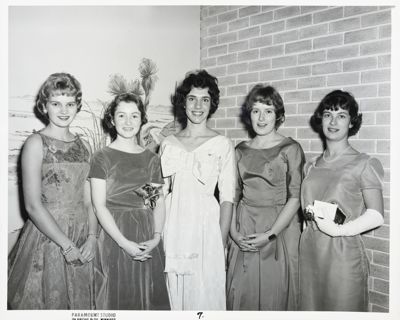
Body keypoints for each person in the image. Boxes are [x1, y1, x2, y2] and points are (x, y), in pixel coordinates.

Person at [8, 73, 98, 309]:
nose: (63, 110)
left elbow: (89, 201)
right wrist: (66, 245)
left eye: (70, 104)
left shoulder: (84, 145)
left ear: (77, 105)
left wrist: (92, 237)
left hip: (81, 232)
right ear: (44, 106)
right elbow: (32, 206)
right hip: (48, 237)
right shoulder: (35, 143)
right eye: (56, 103)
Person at [299, 90, 384, 311]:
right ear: (321, 119)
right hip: (310, 254)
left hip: (343, 254)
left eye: (342, 115)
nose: (333, 121)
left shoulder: (363, 163)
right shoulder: (310, 165)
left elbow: (376, 215)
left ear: (352, 122)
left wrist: (339, 231)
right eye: (328, 114)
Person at [159, 70, 235, 310]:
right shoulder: (168, 144)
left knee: (205, 295)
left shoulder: (223, 144)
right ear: (184, 102)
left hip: (206, 230)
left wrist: (219, 242)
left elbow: (227, 199)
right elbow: (160, 195)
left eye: (205, 99)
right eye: (192, 98)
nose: (198, 105)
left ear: (212, 104)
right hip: (174, 225)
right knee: (175, 294)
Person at [226, 85, 305, 310]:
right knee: (242, 291)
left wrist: (270, 235)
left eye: (268, 111)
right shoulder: (239, 150)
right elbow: (232, 195)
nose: (261, 118)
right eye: (256, 110)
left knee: (275, 293)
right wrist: (234, 233)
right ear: (248, 114)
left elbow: (295, 197)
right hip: (244, 224)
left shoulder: (290, 148)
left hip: (279, 226)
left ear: (278, 115)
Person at [89, 93, 170, 310]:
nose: (128, 122)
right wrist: (124, 243)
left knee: (147, 299)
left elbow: (155, 202)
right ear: (112, 120)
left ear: (142, 119)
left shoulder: (151, 159)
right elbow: (99, 206)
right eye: (121, 116)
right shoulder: (102, 157)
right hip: (114, 236)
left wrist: (156, 237)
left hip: (146, 234)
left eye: (134, 116)